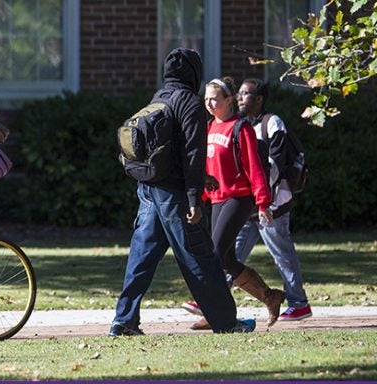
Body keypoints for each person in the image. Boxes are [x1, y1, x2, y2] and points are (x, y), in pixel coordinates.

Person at [109, 48, 256, 337]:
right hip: (176, 196)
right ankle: (226, 322)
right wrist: (194, 198)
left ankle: (124, 320)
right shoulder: (189, 102)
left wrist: (203, 179)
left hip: (149, 191)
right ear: (194, 73)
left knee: (141, 257)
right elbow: (192, 153)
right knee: (200, 257)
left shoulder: (159, 98)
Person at [182, 77, 285, 330]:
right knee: (226, 260)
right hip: (218, 198)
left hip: (239, 198)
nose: (208, 103)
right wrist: (199, 200)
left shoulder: (240, 127)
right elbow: (209, 170)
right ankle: (270, 296)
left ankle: (215, 313)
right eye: (206, 98)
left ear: (229, 100)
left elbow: (254, 167)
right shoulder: (209, 128)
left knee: (214, 255)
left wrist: (263, 203)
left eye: (214, 98)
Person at [234, 78, 312, 321]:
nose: (239, 98)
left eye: (245, 94)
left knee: (281, 252)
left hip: (271, 204)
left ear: (259, 99)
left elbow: (275, 166)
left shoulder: (272, 123)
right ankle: (210, 298)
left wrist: (262, 199)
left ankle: (299, 304)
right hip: (250, 203)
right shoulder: (241, 124)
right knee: (232, 252)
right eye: (239, 93)